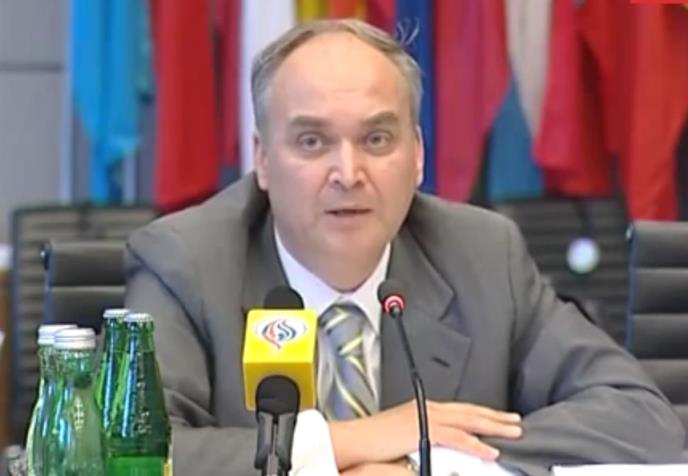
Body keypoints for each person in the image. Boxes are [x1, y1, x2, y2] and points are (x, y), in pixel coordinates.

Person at [124, 19, 685, 476]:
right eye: (312, 141)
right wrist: (345, 444)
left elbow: (641, 419)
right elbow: (130, 455)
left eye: (376, 139)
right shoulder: (187, 263)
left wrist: (422, 460)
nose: (348, 173)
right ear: (263, 160)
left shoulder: (482, 256)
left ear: (417, 155)